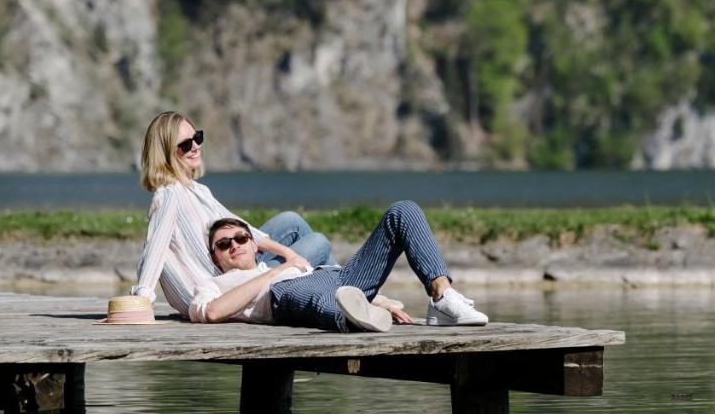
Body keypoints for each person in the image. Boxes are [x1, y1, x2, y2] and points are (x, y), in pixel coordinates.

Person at [130, 111, 337, 319]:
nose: (195, 146)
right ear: (166, 153)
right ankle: (344, 287)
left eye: (197, 138)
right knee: (318, 243)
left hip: (231, 264)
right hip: (224, 287)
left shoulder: (197, 191)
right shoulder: (169, 195)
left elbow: (243, 228)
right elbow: (154, 249)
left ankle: (341, 287)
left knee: (292, 221)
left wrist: (289, 255)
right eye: (185, 145)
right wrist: (142, 300)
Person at [190, 200, 489, 332]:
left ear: (255, 244)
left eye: (241, 237)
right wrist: (275, 271)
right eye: (223, 244)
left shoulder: (275, 261)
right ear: (215, 258)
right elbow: (213, 312)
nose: (234, 245)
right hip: (284, 293)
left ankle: (442, 297)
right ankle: (355, 316)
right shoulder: (211, 285)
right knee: (315, 299)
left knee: (403, 212)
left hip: (336, 275)